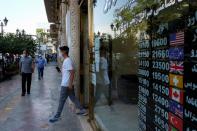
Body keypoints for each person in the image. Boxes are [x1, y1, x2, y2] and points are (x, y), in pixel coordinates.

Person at [49, 46, 87, 123]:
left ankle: (57, 116)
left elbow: (72, 72)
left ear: (64, 52)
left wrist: (70, 84)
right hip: (67, 84)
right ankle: (82, 110)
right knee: (73, 98)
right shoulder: (66, 61)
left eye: (60, 51)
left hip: (66, 85)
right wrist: (60, 71)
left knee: (61, 100)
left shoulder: (67, 61)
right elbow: (67, 72)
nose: (60, 53)